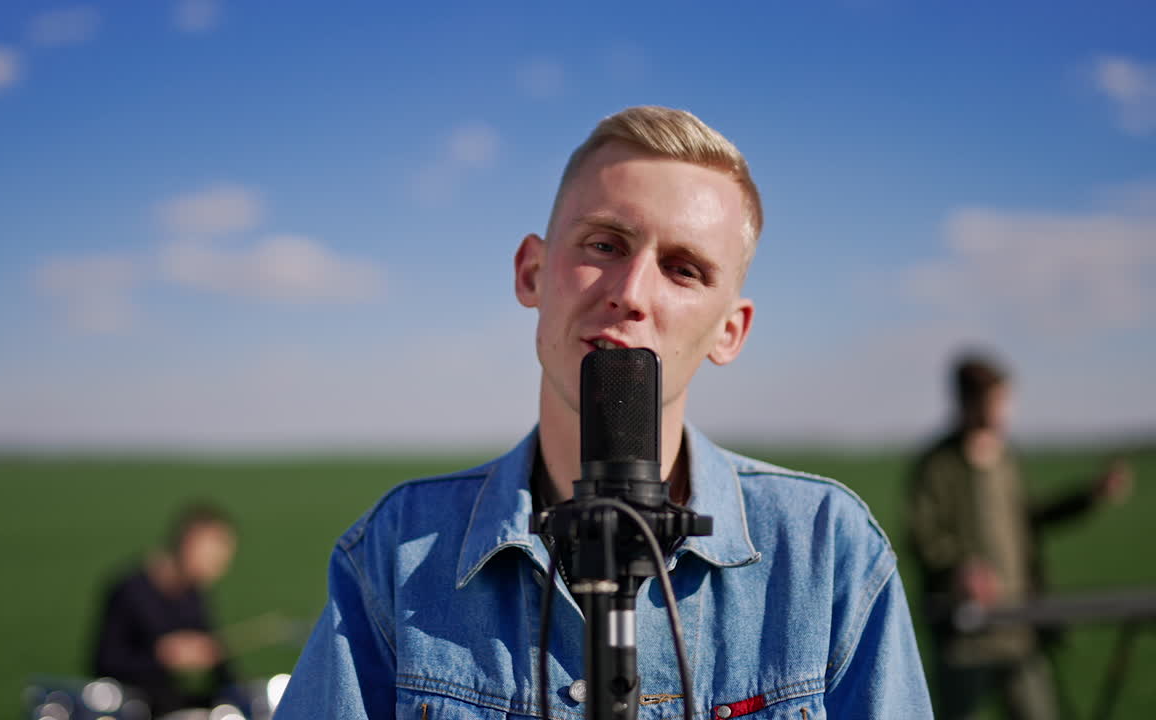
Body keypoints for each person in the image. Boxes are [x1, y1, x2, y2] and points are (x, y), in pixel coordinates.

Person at [276, 106, 932, 718]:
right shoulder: (397, 551)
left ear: (730, 331)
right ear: (532, 272)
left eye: (683, 269)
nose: (631, 293)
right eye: (605, 246)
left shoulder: (825, 551)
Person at [907, 353, 1132, 720]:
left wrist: (1089, 496)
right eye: (996, 401)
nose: (1004, 411)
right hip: (965, 632)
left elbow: (1031, 518)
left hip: (1019, 624)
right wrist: (958, 569)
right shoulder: (937, 465)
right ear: (968, 402)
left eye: (1005, 400)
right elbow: (922, 534)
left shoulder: (1007, 459)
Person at [90, 502, 240, 716]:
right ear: (187, 543)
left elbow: (220, 666)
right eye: (212, 557)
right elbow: (104, 663)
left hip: (176, 705)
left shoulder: (194, 594)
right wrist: (162, 657)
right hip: (134, 710)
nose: (219, 567)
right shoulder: (130, 591)